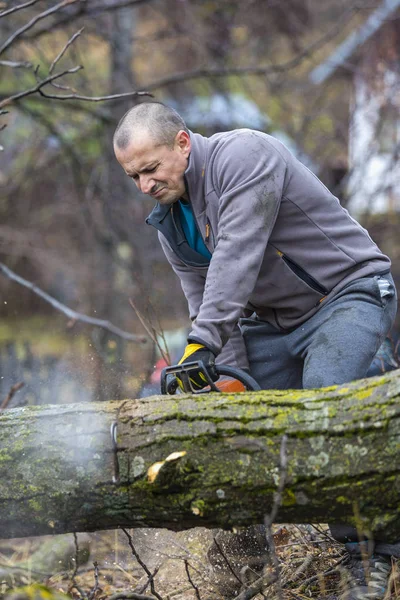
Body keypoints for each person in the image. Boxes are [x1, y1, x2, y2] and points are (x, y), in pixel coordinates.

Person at [114, 101, 398, 599]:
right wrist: (222, 379)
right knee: (222, 421)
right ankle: (247, 568)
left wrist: (202, 343)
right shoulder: (172, 225)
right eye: (134, 176)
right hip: (273, 324)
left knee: (327, 406)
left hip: (346, 295)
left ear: (182, 143)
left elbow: (237, 257)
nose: (145, 186)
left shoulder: (244, 156)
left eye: (151, 169)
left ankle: (368, 559)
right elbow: (205, 303)